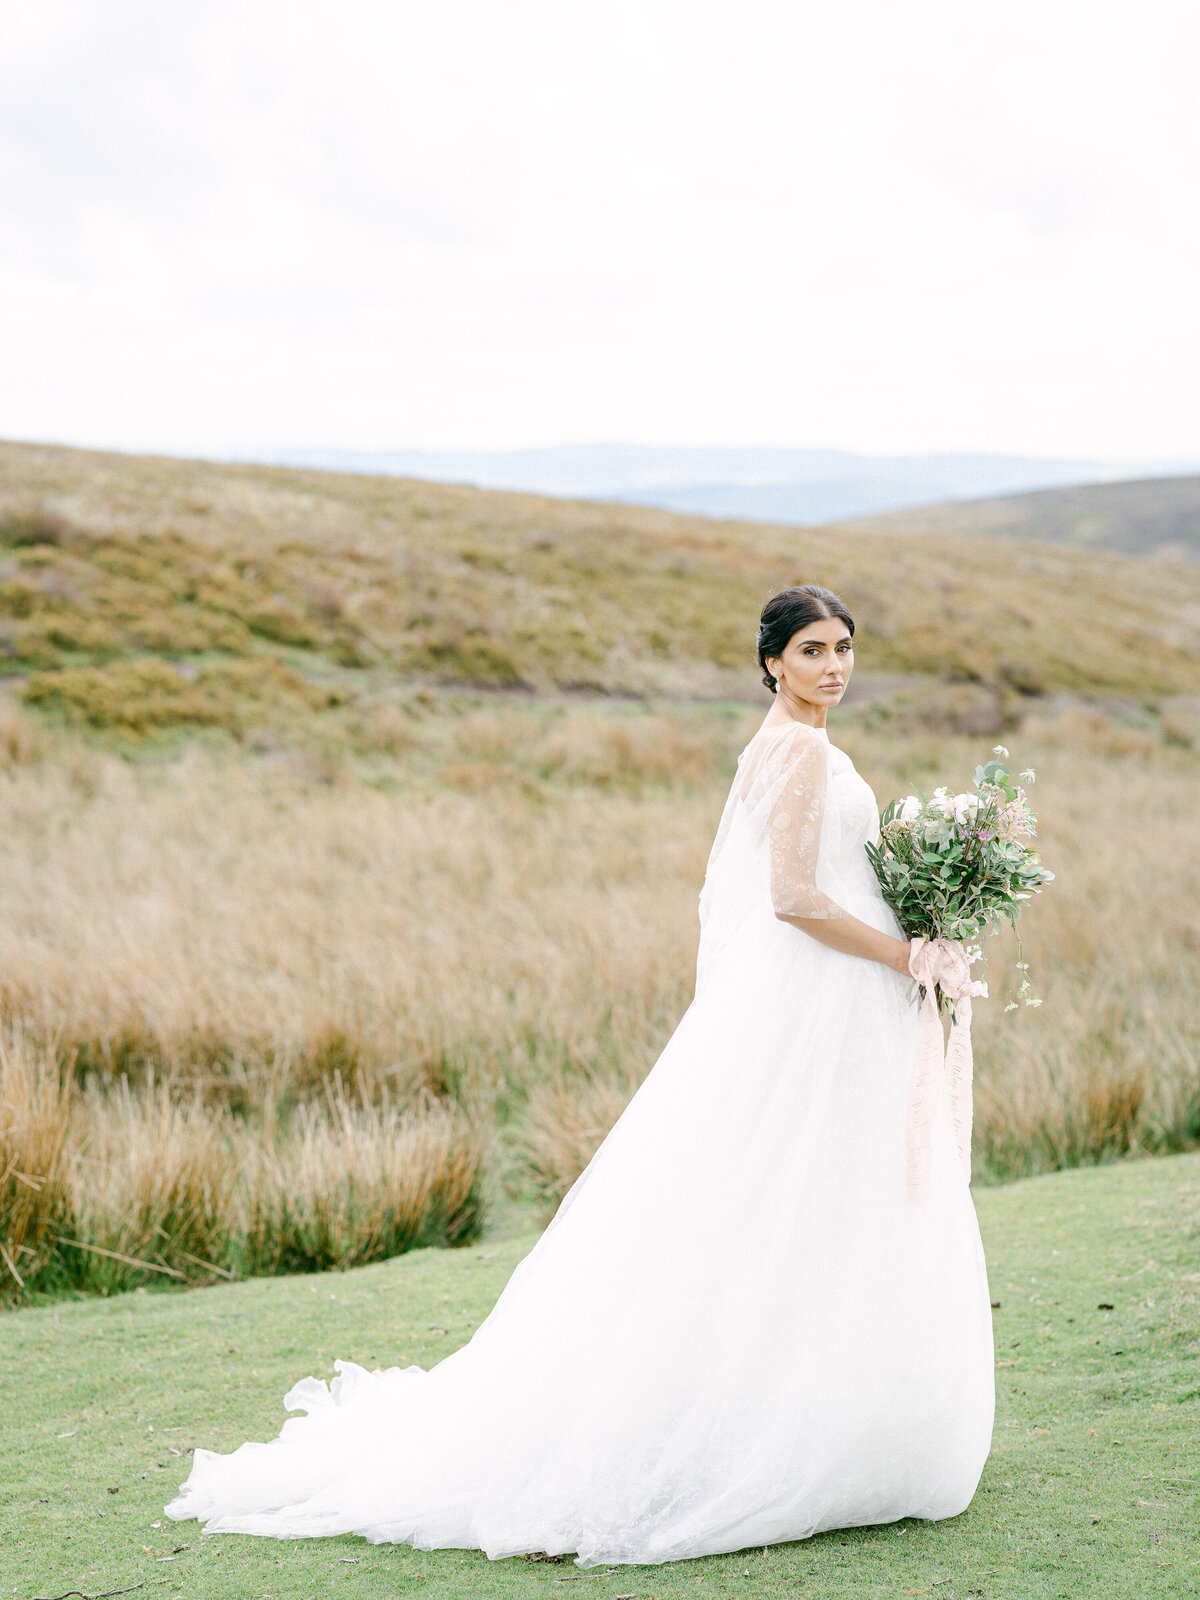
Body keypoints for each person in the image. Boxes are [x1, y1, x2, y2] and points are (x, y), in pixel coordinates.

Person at [168, 584, 995, 1566]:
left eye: (845, 648)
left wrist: (921, 904)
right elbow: (790, 896)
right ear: (771, 660)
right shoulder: (803, 749)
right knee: (792, 1192)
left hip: (824, 1004)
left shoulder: (784, 740)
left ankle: (814, 1410)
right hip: (819, 996)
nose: (833, 666)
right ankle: (774, 1428)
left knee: (796, 1195)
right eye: (812, 649)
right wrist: (906, 954)